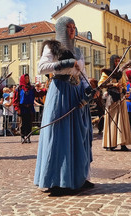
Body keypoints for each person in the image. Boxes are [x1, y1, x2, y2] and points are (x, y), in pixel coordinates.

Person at [34, 16, 94, 195]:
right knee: (59, 136)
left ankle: (78, 178)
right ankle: (57, 181)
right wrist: (67, 63)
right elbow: (42, 68)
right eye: (68, 27)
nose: (72, 30)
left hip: (76, 94)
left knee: (79, 137)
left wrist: (89, 91)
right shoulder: (51, 47)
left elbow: (82, 74)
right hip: (59, 93)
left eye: (74, 27)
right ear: (61, 29)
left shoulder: (78, 51)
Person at [98, 55, 131, 151]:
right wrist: (113, 84)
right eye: (116, 61)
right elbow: (100, 84)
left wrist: (125, 91)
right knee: (112, 122)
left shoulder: (121, 73)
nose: (118, 63)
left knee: (123, 121)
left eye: (119, 61)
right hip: (111, 99)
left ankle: (123, 143)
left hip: (121, 99)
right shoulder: (107, 72)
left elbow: (125, 85)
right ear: (112, 62)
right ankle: (110, 143)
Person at [13, 74, 45, 143]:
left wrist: (45, 90)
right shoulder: (19, 89)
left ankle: (28, 136)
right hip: (22, 108)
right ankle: (22, 136)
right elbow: (15, 100)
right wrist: (17, 108)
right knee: (22, 123)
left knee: (29, 123)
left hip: (30, 108)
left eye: (28, 78)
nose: (27, 80)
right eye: (26, 78)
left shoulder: (31, 88)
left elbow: (38, 94)